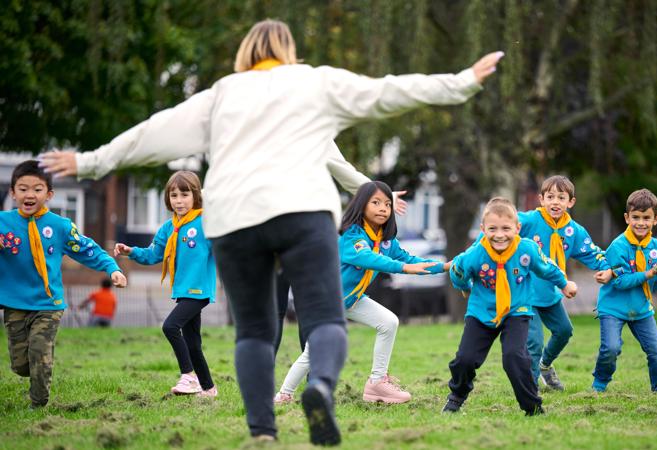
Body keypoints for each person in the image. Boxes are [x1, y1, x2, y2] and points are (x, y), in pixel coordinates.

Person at [38, 18, 502, 445]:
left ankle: (262, 430)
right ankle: (319, 387)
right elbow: (388, 92)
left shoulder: (223, 92)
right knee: (323, 319)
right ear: (289, 51)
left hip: (235, 219)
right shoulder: (314, 83)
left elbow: (155, 132)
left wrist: (91, 161)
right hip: (302, 212)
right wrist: (462, 82)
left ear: (245, 54)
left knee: (256, 331)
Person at [274, 181, 445, 405]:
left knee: (388, 322)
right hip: (326, 300)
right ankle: (284, 395)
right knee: (313, 351)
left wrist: (445, 266)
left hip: (352, 299)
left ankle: (376, 383)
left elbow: (410, 259)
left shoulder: (385, 240)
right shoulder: (352, 237)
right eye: (375, 203)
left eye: (387, 204)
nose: (383, 208)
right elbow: (370, 259)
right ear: (361, 206)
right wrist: (403, 268)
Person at [0, 160, 127, 408]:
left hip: (48, 304)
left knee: (39, 351)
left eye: (37, 189)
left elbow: (91, 250)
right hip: (14, 303)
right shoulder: (2, 223)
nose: (29, 194)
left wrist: (112, 268)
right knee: (20, 365)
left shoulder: (60, 227)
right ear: (12, 192)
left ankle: (38, 402)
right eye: (23, 188)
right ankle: (37, 367)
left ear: (49, 195)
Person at [443, 198, 576, 415]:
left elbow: (547, 267)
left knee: (515, 358)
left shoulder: (527, 250)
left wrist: (564, 283)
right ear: (483, 229)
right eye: (493, 228)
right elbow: (457, 272)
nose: (499, 234)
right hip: (481, 312)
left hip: (517, 311)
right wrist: (465, 287)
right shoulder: (475, 254)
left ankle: (532, 406)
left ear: (517, 228)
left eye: (506, 228)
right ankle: (457, 396)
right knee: (465, 359)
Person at [273, 143, 409, 355]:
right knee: (275, 311)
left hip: (306, 233)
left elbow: (341, 168)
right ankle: (270, 384)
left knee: (306, 310)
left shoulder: (313, 127)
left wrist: (381, 195)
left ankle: (314, 378)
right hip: (276, 233)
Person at [114, 171, 217, 398]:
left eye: (185, 194)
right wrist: (131, 251)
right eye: (174, 195)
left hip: (198, 290)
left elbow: (226, 247)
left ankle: (188, 376)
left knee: (170, 326)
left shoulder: (206, 223)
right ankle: (209, 389)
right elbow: (153, 254)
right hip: (182, 290)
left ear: (196, 196)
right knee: (192, 343)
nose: (179, 200)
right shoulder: (169, 228)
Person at [517, 175, 611, 391]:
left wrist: (607, 268)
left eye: (561, 197)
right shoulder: (530, 221)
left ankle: (545, 365)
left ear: (571, 202)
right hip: (526, 294)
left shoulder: (574, 231)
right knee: (534, 343)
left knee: (564, 331)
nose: (555, 202)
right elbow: (501, 227)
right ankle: (530, 390)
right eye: (550, 197)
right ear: (541, 199)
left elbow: (592, 253)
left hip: (550, 295)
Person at [592, 188, 657, 393]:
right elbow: (620, 282)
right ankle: (599, 384)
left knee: (656, 351)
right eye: (636, 217)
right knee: (611, 348)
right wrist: (648, 273)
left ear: (655, 220)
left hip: (641, 309)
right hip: (613, 308)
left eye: (646, 218)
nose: (641, 222)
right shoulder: (617, 247)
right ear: (627, 218)